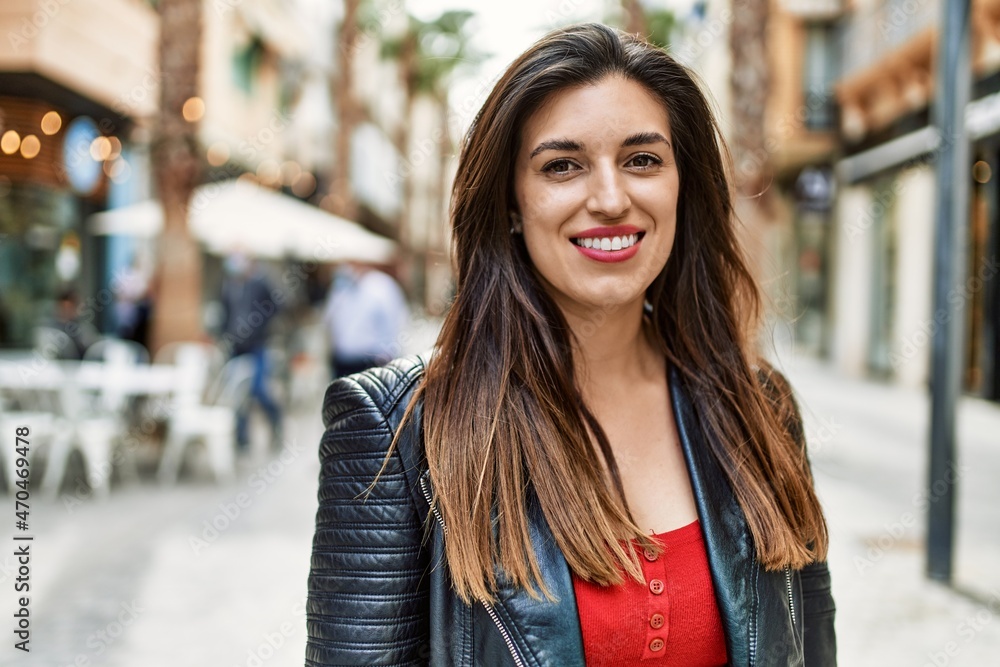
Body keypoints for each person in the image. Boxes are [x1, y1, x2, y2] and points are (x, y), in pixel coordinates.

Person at [306, 23, 836, 667]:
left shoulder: (761, 409)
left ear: (682, 187)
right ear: (510, 202)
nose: (611, 199)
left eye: (642, 159)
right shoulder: (399, 431)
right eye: (563, 166)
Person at [219, 252, 282, 452]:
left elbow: (278, 305)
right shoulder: (228, 285)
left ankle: (276, 423)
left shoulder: (260, 283)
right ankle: (242, 438)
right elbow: (224, 312)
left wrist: (259, 326)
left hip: (256, 345)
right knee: (236, 392)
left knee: (258, 389)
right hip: (235, 347)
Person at [322, 261, 410, 378]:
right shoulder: (342, 285)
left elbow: (397, 321)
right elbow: (329, 317)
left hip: (371, 362)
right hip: (342, 361)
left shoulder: (383, 285)